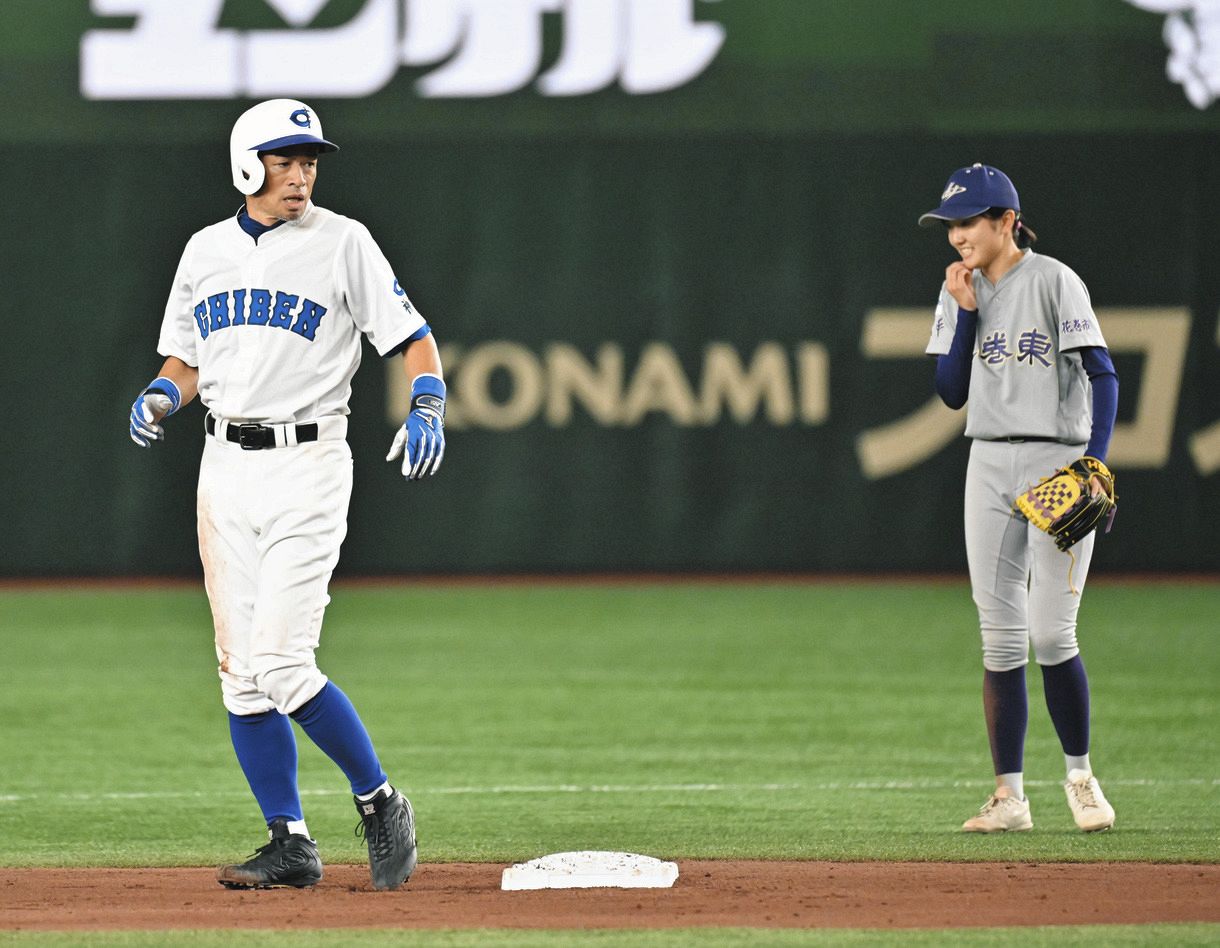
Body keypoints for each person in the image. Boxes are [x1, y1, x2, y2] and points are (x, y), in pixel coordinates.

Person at [128, 98, 447, 888]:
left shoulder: (343, 242)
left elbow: (411, 338)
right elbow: (187, 360)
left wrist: (429, 399)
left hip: (309, 462)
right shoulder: (204, 251)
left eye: (309, 159)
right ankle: (290, 842)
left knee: (279, 660)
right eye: (285, 157)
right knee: (240, 674)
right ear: (248, 164)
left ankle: (379, 801)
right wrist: (162, 396)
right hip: (224, 465)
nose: (301, 172)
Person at [919, 163, 1119, 834]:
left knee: (1050, 633)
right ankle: (1009, 796)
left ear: (1007, 221)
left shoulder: (1054, 280)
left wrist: (1093, 461)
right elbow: (951, 392)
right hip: (987, 459)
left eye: (969, 222)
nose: (957, 236)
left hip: (1053, 458)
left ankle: (1082, 778)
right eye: (951, 225)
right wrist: (968, 312)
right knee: (999, 639)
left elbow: (1103, 373)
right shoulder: (958, 289)